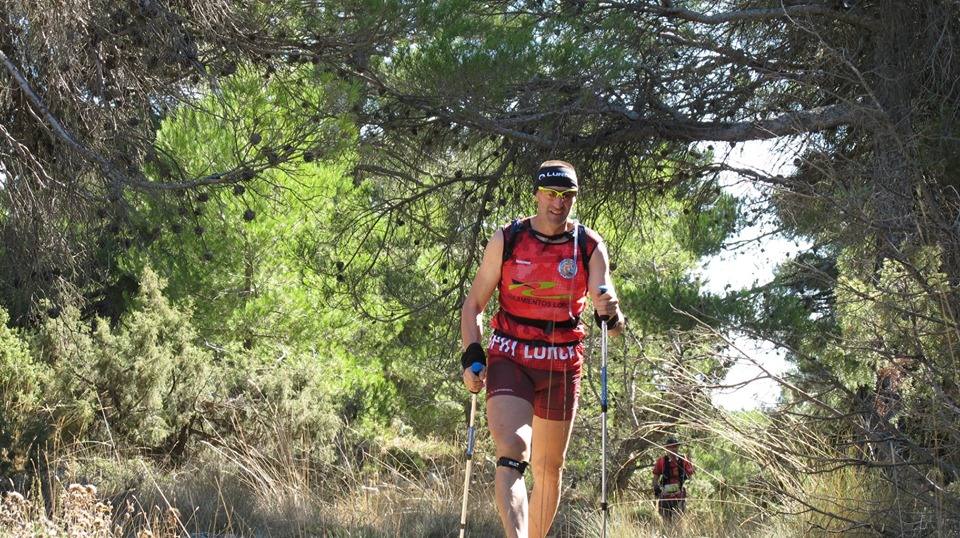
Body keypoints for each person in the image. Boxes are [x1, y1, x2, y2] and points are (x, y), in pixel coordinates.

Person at [459, 160, 625, 538]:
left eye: (567, 196)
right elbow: (473, 305)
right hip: (511, 355)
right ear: (536, 194)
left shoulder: (588, 244)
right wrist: (472, 355)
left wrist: (611, 314)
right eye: (551, 194)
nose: (558, 203)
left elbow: (611, 318)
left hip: (562, 362)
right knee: (513, 449)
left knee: (550, 468)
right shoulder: (509, 239)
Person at [652, 436, 695, 522]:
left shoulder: (684, 460)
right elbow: (655, 478)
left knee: (679, 520)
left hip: (680, 496)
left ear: (678, 447)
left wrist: (687, 489)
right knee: (666, 520)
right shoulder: (661, 461)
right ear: (666, 448)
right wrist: (656, 489)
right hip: (665, 496)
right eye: (670, 447)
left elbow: (691, 478)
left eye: (675, 446)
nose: (672, 449)